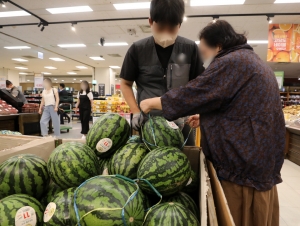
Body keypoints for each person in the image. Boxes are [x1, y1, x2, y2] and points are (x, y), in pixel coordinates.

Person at [140, 20, 285, 226]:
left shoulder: (231, 62)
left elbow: (193, 93)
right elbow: (239, 105)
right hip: (260, 160)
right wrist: (206, 116)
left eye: (204, 51)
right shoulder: (250, 60)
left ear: (218, 46)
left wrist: (151, 103)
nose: (204, 57)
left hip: (243, 167)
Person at [120, 0, 204, 145]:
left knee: (185, 161)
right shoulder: (137, 50)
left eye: (172, 28)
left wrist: (198, 110)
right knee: (151, 164)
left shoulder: (190, 49)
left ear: (179, 25)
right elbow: (125, 83)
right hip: (148, 124)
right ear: (151, 22)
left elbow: (200, 85)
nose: (166, 32)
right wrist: (136, 111)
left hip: (182, 123)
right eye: (161, 27)